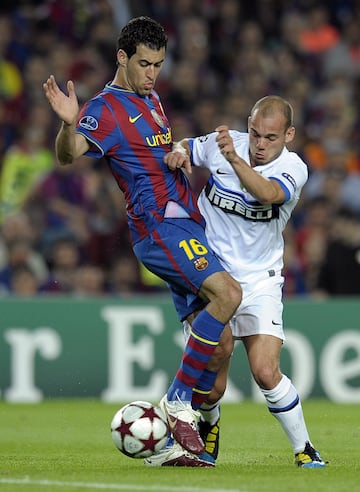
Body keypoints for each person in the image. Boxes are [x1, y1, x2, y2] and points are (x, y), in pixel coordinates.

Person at [42, 16, 242, 467]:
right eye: (145, 64)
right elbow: (70, 154)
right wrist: (67, 124)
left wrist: (177, 154)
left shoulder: (149, 98)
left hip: (186, 226)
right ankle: (175, 401)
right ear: (122, 58)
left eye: (158, 64)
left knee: (222, 348)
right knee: (229, 293)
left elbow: (151, 152)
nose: (153, 73)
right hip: (161, 229)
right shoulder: (106, 107)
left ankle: (165, 451)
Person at [148, 95, 327, 468]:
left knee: (265, 371)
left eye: (271, 138)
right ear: (249, 123)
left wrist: (233, 159)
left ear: (289, 135)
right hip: (209, 273)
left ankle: (305, 449)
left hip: (260, 279)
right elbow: (187, 146)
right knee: (214, 376)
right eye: (256, 134)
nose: (260, 145)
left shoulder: (294, 168)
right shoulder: (224, 142)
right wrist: (179, 151)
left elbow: (268, 194)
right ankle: (208, 430)